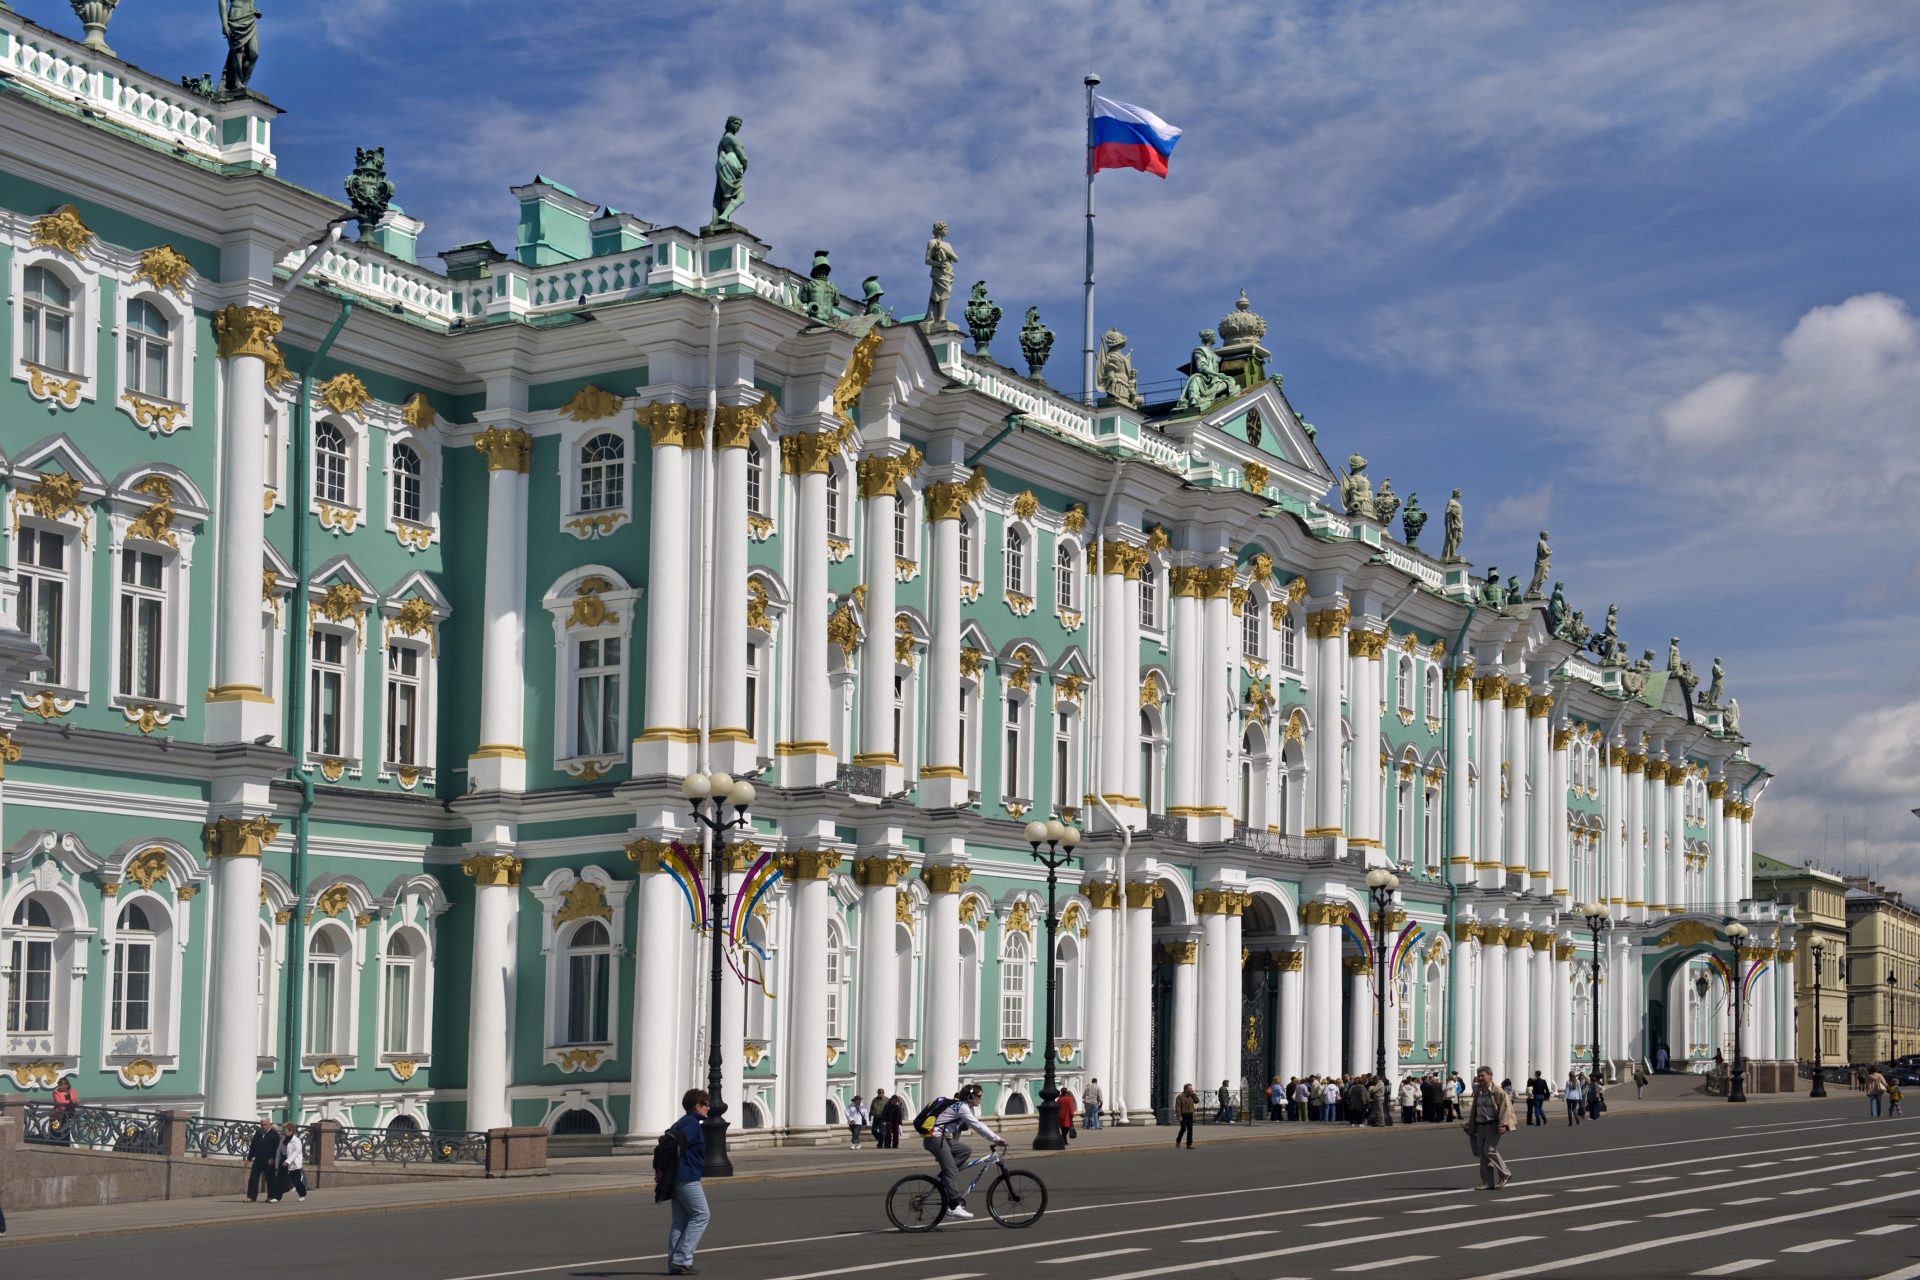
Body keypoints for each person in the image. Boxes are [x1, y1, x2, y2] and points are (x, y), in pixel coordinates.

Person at [924, 1083, 1005, 1220]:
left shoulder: (962, 1106)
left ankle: (945, 1176)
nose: (981, 1099)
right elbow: (978, 1125)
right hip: (935, 1138)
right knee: (952, 1171)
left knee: (965, 1151)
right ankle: (953, 1206)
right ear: (970, 1096)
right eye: (979, 1096)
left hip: (939, 1137)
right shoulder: (962, 1107)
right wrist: (996, 1139)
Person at [665, 1089, 711, 1275]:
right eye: (706, 1105)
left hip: (676, 1177)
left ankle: (674, 1265)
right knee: (701, 1215)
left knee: (681, 1221)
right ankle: (682, 1259)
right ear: (698, 1106)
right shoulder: (692, 1125)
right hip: (687, 1177)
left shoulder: (681, 1123)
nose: (708, 1108)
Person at [1463, 1066, 1517, 1190]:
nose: (1480, 1078)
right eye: (1479, 1075)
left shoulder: (1498, 1091)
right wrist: (1470, 1124)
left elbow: (1506, 1108)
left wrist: (1503, 1124)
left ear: (1490, 1076)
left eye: (1483, 1075)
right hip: (1480, 1125)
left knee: (1489, 1150)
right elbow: (1475, 1110)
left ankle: (1505, 1174)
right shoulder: (1478, 1091)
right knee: (1483, 1155)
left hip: (1493, 1125)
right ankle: (1487, 1182)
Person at [246, 1116, 281, 1201]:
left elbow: (277, 1148)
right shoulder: (258, 1133)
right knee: (253, 1178)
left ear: (269, 1124)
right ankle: (251, 1197)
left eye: (265, 1124)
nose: (263, 1126)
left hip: (268, 1160)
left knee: (270, 1179)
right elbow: (253, 1147)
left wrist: (272, 1158)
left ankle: (271, 1196)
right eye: (262, 1125)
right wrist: (249, 1159)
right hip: (258, 1160)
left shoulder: (274, 1134)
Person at [276, 1122, 308, 1202]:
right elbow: (278, 1151)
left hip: (293, 1164)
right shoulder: (283, 1140)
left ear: (291, 1131)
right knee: (280, 1180)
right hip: (283, 1163)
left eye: (285, 1130)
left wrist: (288, 1161)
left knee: (296, 1181)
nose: (284, 1132)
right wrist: (277, 1164)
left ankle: (302, 1194)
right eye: (284, 1130)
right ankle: (277, 1197)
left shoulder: (296, 1141)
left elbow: (296, 1152)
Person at [51, 1076, 79, 1145]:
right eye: (59, 1085)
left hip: (67, 1116)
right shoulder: (56, 1092)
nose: (60, 1087)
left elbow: (77, 1100)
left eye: (61, 1085)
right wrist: (70, 1101)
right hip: (57, 1116)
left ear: (66, 1085)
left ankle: (66, 1147)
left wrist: (73, 1101)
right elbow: (59, 1102)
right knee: (56, 1133)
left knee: (66, 1134)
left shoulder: (72, 1091)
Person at [1174, 1083, 1198, 1148]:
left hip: (1190, 1114)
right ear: (1186, 1089)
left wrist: (1193, 1094)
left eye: (1191, 1088)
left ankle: (1189, 1144)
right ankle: (1178, 1141)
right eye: (1190, 1088)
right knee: (1183, 1129)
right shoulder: (1180, 1096)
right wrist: (1179, 1116)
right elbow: (1178, 1107)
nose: (1191, 1089)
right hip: (1183, 1115)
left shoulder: (1191, 1096)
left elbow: (1197, 1101)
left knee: (1190, 1130)